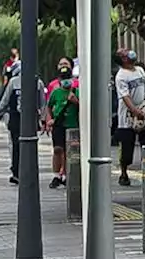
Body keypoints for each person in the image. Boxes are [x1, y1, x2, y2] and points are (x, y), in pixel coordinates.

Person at [114, 48, 145, 186]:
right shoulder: (121, 76)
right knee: (126, 147)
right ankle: (124, 173)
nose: (128, 52)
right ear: (122, 59)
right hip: (128, 118)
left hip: (144, 113)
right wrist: (135, 111)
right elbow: (125, 96)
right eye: (123, 52)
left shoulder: (139, 70)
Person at [44, 60, 80, 189]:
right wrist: (49, 120)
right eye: (63, 78)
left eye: (67, 78)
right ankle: (56, 175)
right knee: (57, 149)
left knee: (69, 151)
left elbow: (84, 108)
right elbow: (48, 107)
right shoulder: (56, 92)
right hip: (58, 125)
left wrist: (76, 101)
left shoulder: (77, 91)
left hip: (72, 125)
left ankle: (65, 174)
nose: (66, 81)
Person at [0, 59, 22, 185]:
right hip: (21, 119)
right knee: (21, 145)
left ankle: (17, 172)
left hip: (17, 118)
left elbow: (4, 100)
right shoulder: (36, 81)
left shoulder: (14, 83)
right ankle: (18, 172)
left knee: (16, 146)